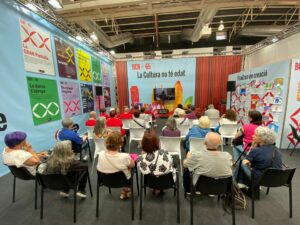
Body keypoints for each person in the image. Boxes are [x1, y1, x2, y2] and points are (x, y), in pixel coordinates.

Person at [235, 127, 283, 191]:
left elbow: (245, 162)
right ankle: (241, 182)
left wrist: (252, 147)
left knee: (241, 163)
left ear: (262, 139)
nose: (253, 136)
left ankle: (235, 183)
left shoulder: (256, 150)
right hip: (278, 179)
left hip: (261, 179)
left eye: (255, 135)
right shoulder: (277, 150)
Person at [97, 132, 135, 199]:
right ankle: (126, 189)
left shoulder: (101, 154)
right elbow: (133, 165)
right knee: (130, 169)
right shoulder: (125, 156)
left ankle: (125, 191)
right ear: (119, 145)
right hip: (124, 181)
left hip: (105, 181)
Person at [137, 130, 174, 196]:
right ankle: (159, 188)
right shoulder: (166, 153)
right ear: (157, 143)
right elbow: (171, 165)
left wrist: (142, 155)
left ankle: (155, 187)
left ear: (143, 144)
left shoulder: (141, 159)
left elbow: (144, 171)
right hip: (167, 181)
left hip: (149, 182)